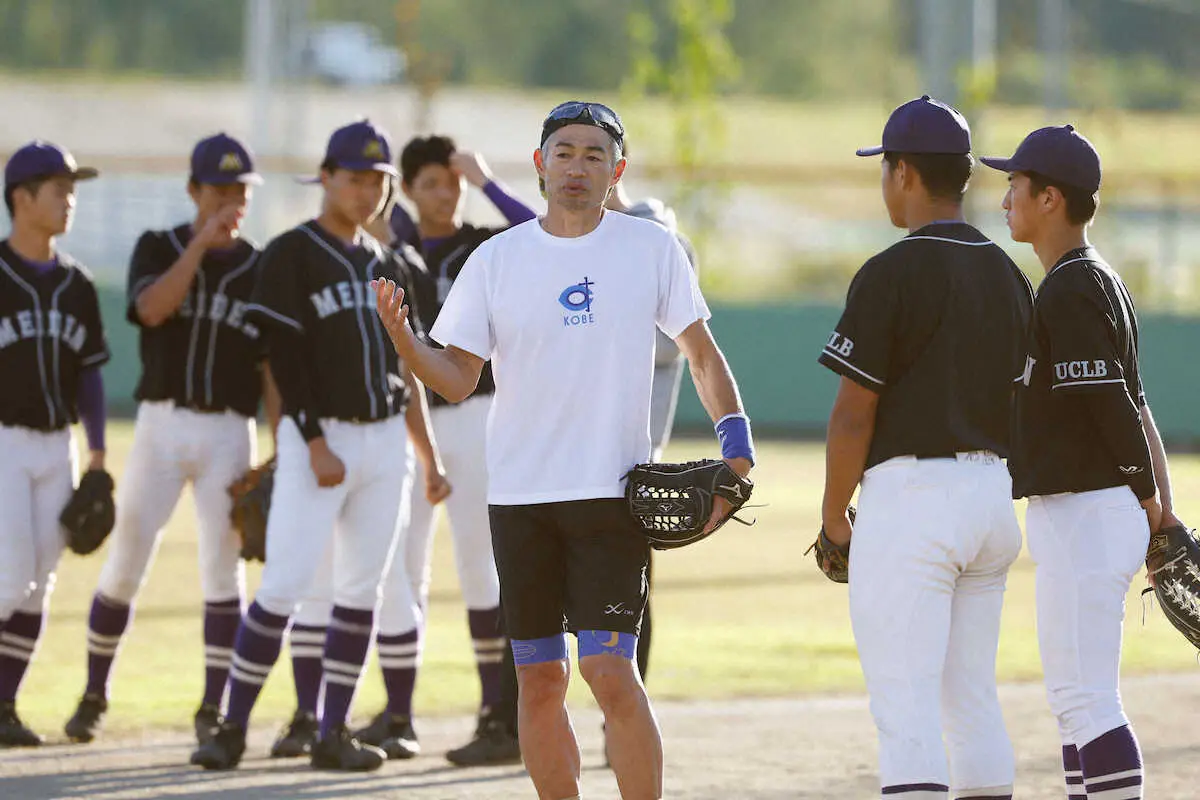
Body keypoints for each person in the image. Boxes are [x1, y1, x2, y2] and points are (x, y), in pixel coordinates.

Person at [374, 100, 754, 800]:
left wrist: (737, 446)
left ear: (617, 171)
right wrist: (408, 342)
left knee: (610, 673)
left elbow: (701, 355)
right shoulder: (497, 259)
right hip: (520, 502)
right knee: (541, 680)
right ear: (540, 165)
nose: (578, 166)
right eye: (565, 153)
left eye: (594, 154)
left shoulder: (651, 249)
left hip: (611, 498)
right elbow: (457, 379)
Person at [189, 119, 436, 773]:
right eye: (354, 178)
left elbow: (407, 365)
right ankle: (230, 729)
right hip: (319, 435)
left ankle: (332, 732)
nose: (367, 191)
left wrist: (425, 455)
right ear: (325, 178)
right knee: (284, 585)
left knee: (361, 591)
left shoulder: (390, 262)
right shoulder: (291, 252)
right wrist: (312, 439)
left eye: (378, 181)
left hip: (385, 440)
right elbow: (284, 356)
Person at [818, 96, 1033, 799]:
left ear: (904, 172)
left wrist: (834, 516)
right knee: (970, 700)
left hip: (914, 504)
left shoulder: (891, 271)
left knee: (905, 708)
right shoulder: (1009, 274)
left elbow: (853, 416)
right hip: (991, 499)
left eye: (886, 168)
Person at [63, 133, 278, 748]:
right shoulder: (158, 246)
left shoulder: (260, 266)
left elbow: (269, 365)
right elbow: (152, 310)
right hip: (160, 424)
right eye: (219, 190)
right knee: (127, 559)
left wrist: (281, 440)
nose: (230, 202)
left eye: (240, 191)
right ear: (192, 190)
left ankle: (213, 706)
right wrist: (199, 246)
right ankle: (94, 695)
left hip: (228, 430)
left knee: (222, 571)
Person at [983, 125, 1177, 800]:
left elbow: (1114, 406)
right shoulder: (1096, 280)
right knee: (1073, 703)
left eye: (1016, 184)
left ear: (1051, 198)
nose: (1005, 197)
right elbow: (1139, 404)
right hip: (1091, 511)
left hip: (1089, 512)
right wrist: (1161, 509)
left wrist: (1151, 504)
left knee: (1088, 701)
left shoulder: (1070, 289)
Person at [350, 136, 535, 765]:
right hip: (413, 418)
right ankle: (398, 710)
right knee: (404, 564)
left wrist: (484, 181)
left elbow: (536, 230)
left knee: (481, 562)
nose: (445, 194)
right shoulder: (397, 246)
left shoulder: (483, 243)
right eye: (431, 183)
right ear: (408, 190)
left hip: (477, 413)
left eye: (451, 183)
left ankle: (498, 714)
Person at [0, 141, 110, 747]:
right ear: (22, 198)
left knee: (40, 581)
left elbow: (89, 374)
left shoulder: (77, 284)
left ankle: (4, 706)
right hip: (4, 443)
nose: (70, 200)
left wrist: (97, 452)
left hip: (56, 445)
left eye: (73, 190)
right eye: (59, 190)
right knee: (9, 577)